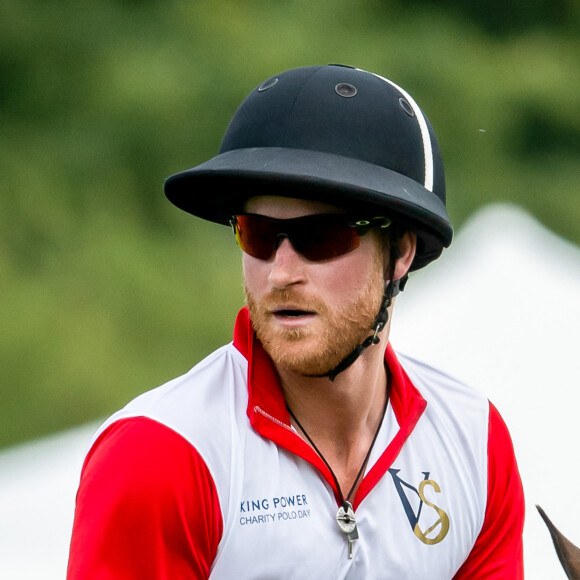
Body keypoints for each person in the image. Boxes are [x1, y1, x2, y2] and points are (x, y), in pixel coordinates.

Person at [67, 64, 524, 579]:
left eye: (322, 237)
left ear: (401, 251)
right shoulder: (159, 453)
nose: (281, 273)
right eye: (258, 235)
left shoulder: (474, 440)